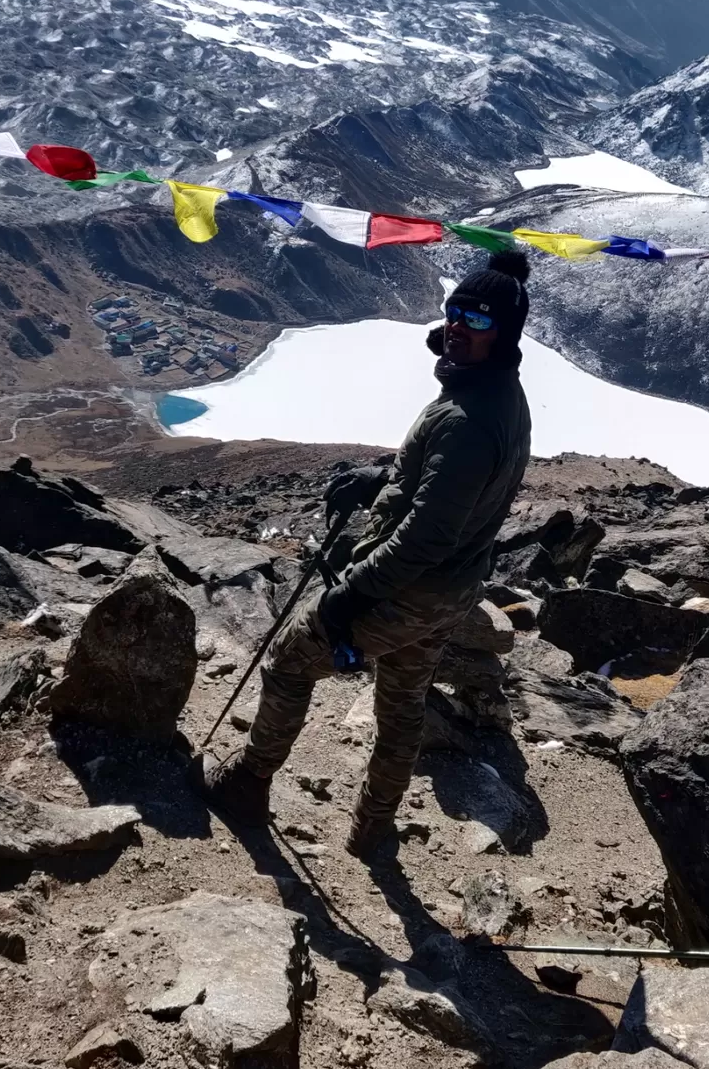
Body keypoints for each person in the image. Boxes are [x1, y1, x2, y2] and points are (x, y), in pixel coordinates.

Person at [204, 249, 533, 859]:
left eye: (479, 320)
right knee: (403, 703)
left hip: (404, 589)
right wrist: (380, 477)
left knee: (288, 662)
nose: (460, 325)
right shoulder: (500, 396)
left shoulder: (465, 417)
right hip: (450, 593)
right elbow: (442, 486)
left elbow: (427, 533)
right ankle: (373, 828)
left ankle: (247, 785)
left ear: (505, 334)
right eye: (456, 311)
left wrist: (350, 595)